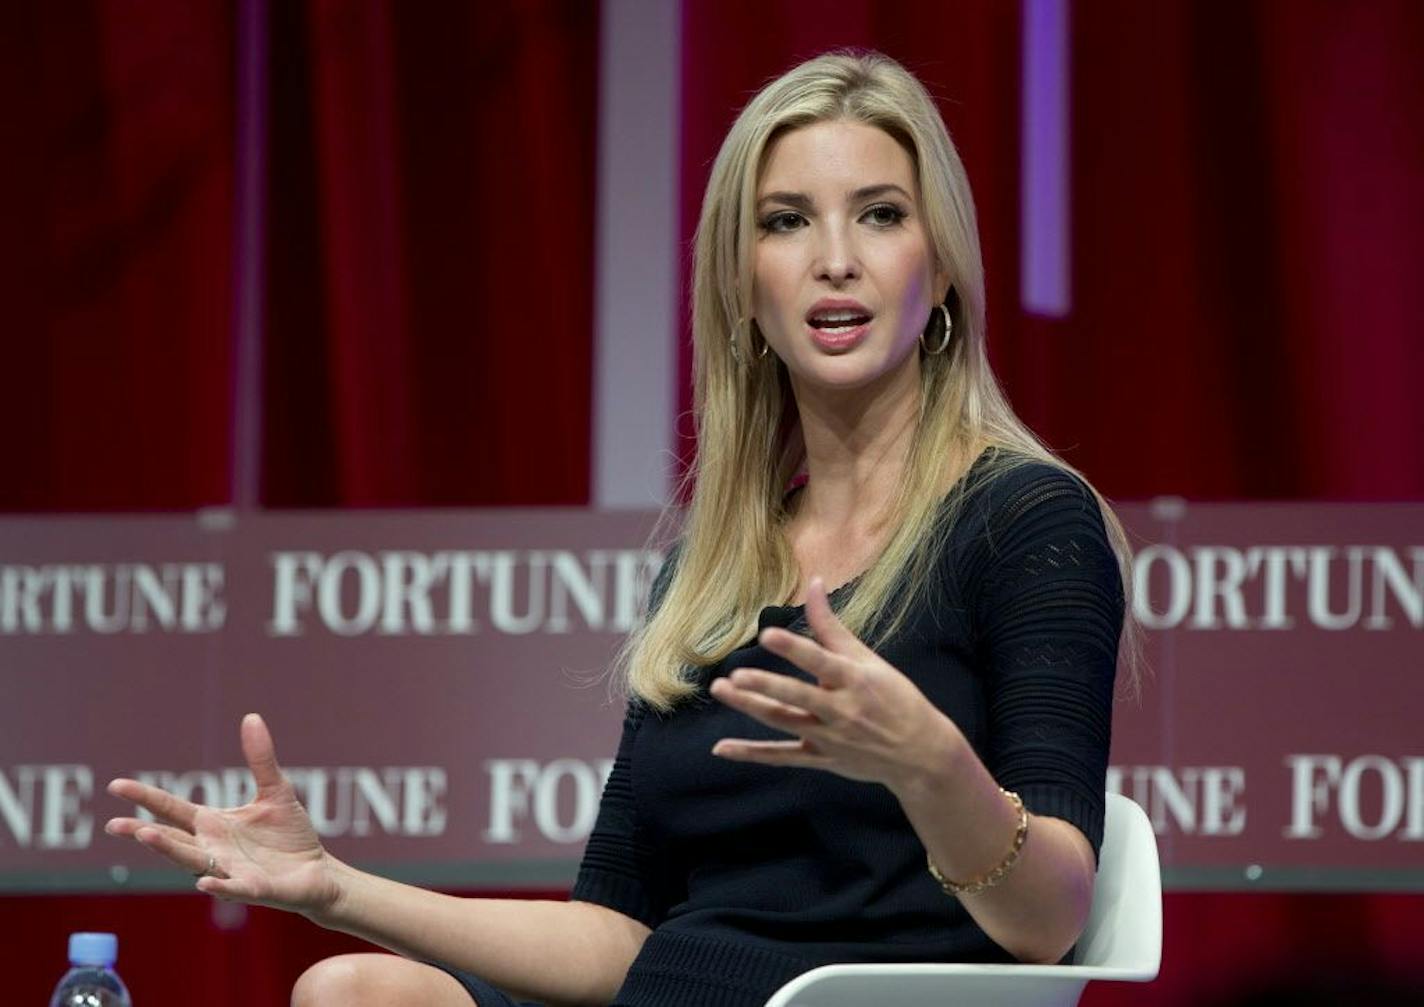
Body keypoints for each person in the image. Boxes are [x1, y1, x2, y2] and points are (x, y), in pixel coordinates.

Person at [104, 49, 1139, 1007]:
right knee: (345, 988)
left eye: (876, 213)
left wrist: (931, 765)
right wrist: (330, 884)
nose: (833, 258)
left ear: (943, 264)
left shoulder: (1023, 519)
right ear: (742, 288)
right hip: (668, 987)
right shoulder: (713, 571)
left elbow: (1049, 923)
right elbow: (614, 930)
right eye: (783, 221)